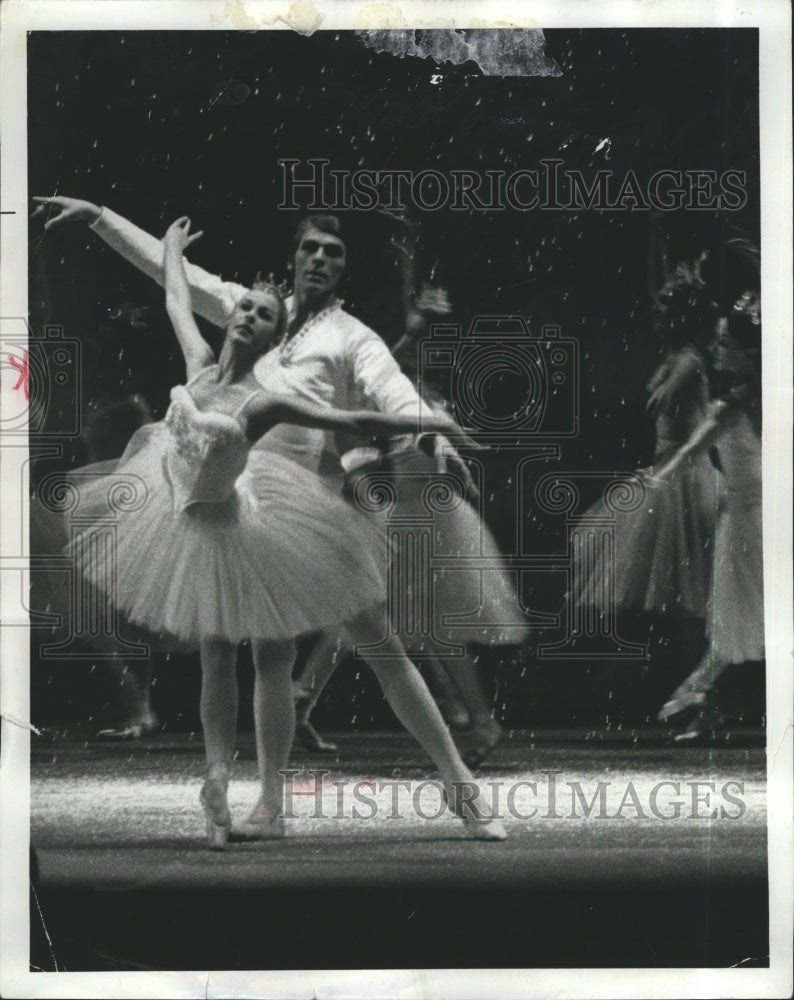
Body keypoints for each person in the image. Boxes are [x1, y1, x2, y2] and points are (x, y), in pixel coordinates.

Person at [38, 206, 507, 847]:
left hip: (308, 508)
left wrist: (435, 435)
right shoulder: (256, 311)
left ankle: (461, 786)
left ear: (345, 267)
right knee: (265, 654)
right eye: (311, 248)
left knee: (380, 644)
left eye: (334, 253)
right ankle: (270, 805)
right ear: (295, 255)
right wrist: (100, 217)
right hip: (237, 504)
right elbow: (174, 277)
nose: (319, 259)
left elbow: (391, 394)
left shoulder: (350, 337)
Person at [573, 264, 719, 621]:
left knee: (686, 563)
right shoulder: (673, 355)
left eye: (666, 312)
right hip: (666, 463)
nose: (658, 317)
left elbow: (663, 397)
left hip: (684, 469)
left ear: (681, 318)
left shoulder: (689, 359)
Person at [656, 297, 763, 741]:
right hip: (750, 521)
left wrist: (652, 482)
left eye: (726, 345)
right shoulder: (746, 403)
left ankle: (693, 694)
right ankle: (695, 698)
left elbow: (685, 454)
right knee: (743, 617)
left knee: (743, 618)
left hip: (751, 524)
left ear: (748, 353)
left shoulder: (732, 407)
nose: (718, 352)